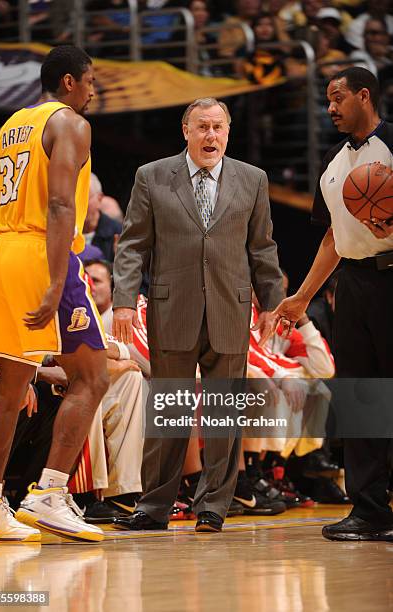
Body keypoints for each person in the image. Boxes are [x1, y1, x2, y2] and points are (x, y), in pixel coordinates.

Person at [112, 96, 284, 533]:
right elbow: (133, 244)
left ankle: (213, 507)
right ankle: (153, 508)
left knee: (224, 415)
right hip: (172, 307)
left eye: (219, 127)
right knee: (169, 412)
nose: (211, 135)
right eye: (202, 127)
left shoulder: (254, 179)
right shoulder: (151, 176)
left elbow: (262, 248)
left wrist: (273, 303)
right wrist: (124, 300)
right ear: (185, 131)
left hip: (231, 307)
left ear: (228, 132)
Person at [0, 45, 109, 543]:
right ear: (67, 83)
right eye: (89, 81)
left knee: (9, 391)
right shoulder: (70, 124)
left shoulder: (6, 129)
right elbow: (60, 203)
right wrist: (57, 279)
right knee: (93, 378)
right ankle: (50, 493)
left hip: (1, 253)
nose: (92, 90)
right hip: (43, 252)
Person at [273, 66, 393, 541]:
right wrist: (301, 296)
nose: (330, 108)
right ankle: (369, 510)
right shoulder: (331, 161)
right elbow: (331, 238)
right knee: (363, 398)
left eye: (338, 98)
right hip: (354, 285)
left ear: (365, 96)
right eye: (327, 100)